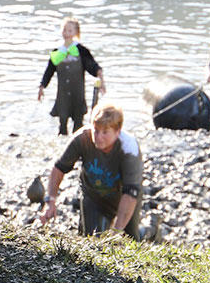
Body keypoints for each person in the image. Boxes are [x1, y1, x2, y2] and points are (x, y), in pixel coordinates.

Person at [39, 103, 145, 240]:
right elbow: (59, 168)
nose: (99, 137)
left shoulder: (129, 148)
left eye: (105, 132)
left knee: (130, 239)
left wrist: (116, 232)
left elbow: (131, 193)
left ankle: (149, 231)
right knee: (92, 240)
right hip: (94, 197)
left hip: (123, 197)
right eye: (96, 130)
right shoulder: (82, 139)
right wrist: (51, 201)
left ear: (118, 131)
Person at [38, 17, 106, 135]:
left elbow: (92, 66)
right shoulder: (57, 52)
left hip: (78, 94)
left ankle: (78, 145)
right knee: (62, 121)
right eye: (64, 30)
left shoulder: (81, 51)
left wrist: (101, 78)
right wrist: (42, 87)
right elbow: (49, 71)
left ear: (76, 33)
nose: (67, 34)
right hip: (62, 94)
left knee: (78, 124)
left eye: (70, 31)